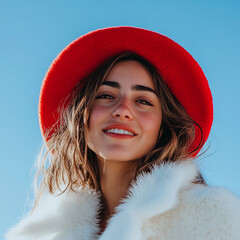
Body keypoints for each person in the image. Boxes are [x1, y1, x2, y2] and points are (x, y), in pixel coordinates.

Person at [5, 26, 240, 240]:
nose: (122, 111)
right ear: (80, 117)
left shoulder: (210, 220)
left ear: (165, 127)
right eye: (106, 95)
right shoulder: (42, 235)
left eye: (143, 101)